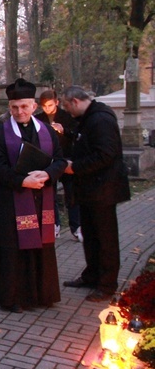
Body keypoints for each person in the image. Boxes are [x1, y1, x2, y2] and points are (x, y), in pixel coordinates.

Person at [0, 78, 66, 313]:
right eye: (14, 107)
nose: (19, 111)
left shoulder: (48, 132)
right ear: (9, 108)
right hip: (13, 199)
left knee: (41, 244)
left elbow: (60, 160)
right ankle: (13, 297)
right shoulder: (0, 133)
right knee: (14, 248)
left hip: (42, 198)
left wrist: (47, 173)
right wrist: (23, 181)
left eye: (24, 106)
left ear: (33, 106)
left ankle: (43, 294)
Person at [60, 86, 130, 302]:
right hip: (91, 190)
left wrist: (75, 167)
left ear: (74, 101)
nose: (66, 111)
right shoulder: (88, 118)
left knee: (105, 238)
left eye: (66, 106)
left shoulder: (100, 119)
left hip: (104, 190)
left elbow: (105, 154)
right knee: (90, 236)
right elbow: (87, 143)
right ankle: (91, 275)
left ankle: (107, 284)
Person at [36, 89, 81, 241]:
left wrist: (65, 131)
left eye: (49, 105)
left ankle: (76, 227)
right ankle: (54, 224)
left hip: (66, 159)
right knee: (50, 194)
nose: (47, 109)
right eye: (44, 106)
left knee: (72, 194)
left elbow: (76, 134)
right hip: (48, 160)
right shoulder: (39, 119)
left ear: (56, 102)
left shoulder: (67, 116)